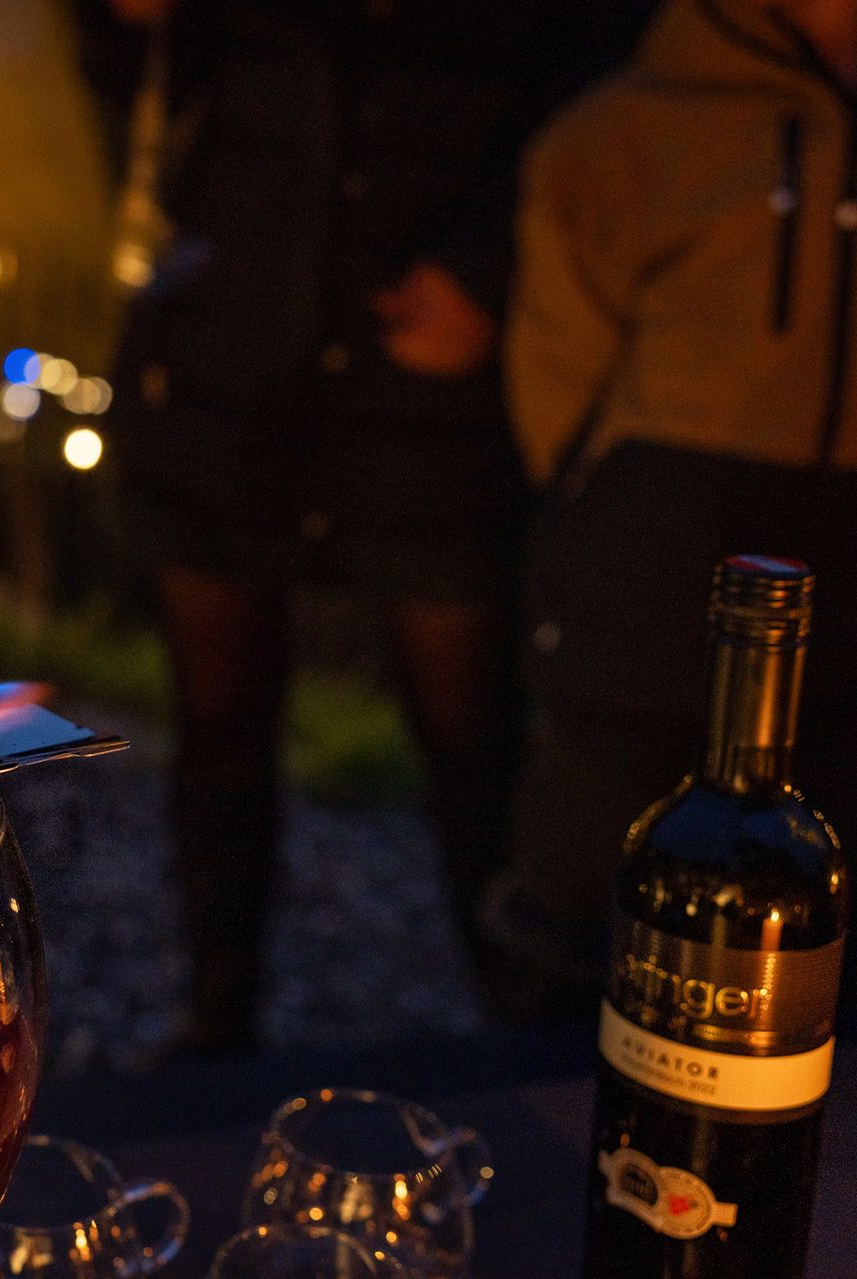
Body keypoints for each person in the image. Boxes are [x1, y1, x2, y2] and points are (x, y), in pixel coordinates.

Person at [100, 0, 656, 1052]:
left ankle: (522, 1031)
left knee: (469, 732)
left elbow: (600, 75)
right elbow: (135, 77)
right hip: (233, 346)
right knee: (217, 721)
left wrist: (492, 269)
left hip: (425, 369)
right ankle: (216, 1020)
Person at [490, 0, 857, 1016]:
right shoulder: (630, 131)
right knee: (590, 891)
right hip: (654, 573)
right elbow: (555, 396)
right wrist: (623, 503)